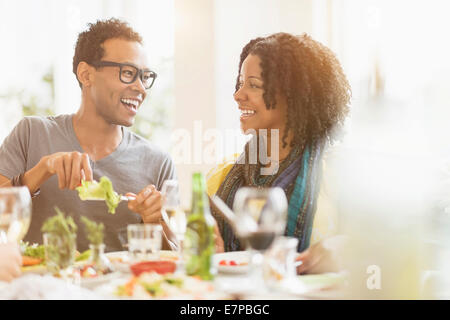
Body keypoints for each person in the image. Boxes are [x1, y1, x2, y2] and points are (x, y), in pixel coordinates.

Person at [0, 18, 176, 252]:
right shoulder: (31, 133)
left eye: (144, 77)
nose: (141, 88)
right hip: (41, 287)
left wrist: (155, 222)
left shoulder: (158, 162)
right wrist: (42, 170)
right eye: (127, 73)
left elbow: (175, 260)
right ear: (86, 74)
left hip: (120, 288)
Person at [207, 33, 351, 273]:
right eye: (240, 82)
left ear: (292, 96)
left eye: (253, 85)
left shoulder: (340, 174)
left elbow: (388, 244)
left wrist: (343, 247)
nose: (238, 95)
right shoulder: (220, 177)